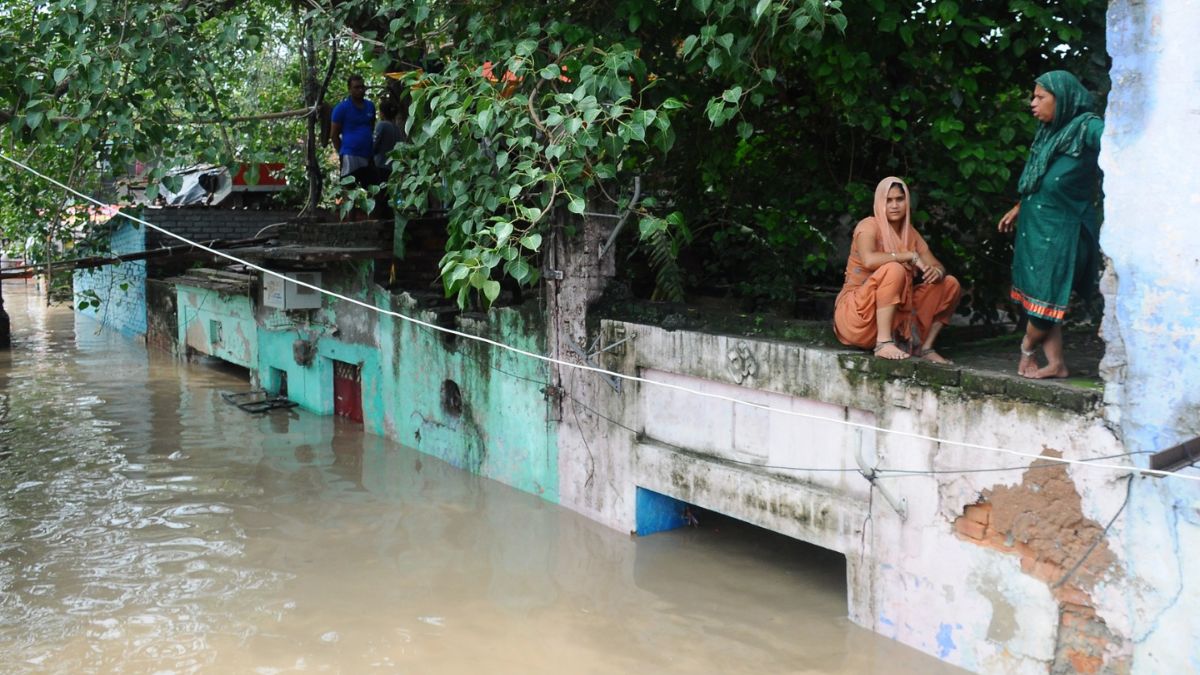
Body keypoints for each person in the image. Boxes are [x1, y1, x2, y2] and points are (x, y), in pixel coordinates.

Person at [997, 70, 1103, 379]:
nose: (1033, 103)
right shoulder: (1050, 132)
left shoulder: (1087, 127)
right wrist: (1019, 207)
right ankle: (1056, 363)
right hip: (1037, 226)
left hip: (1063, 230)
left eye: (1041, 97)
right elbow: (1043, 179)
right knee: (1043, 297)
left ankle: (1027, 348)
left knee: (1048, 297)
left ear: (1064, 99)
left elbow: (1117, 143)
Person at [834, 177, 962, 362]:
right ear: (879, 202)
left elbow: (937, 265)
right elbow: (869, 260)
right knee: (894, 269)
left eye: (899, 199)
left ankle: (925, 348)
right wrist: (908, 256)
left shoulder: (909, 232)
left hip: (896, 319)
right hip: (858, 316)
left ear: (907, 201)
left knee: (950, 284)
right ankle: (883, 343)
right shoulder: (868, 226)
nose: (894, 205)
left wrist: (937, 272)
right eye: (888, 200)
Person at [330, 74, 376, 187]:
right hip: (350, 156)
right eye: (356, 87)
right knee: (349, 188)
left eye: (362, 87)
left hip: (367, 155)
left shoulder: (370, 106)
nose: (360, 90)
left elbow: (371, 127)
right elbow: (334, 135)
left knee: (372, 188)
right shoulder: (341, 108)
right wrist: (343, 152)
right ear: (349, 89)